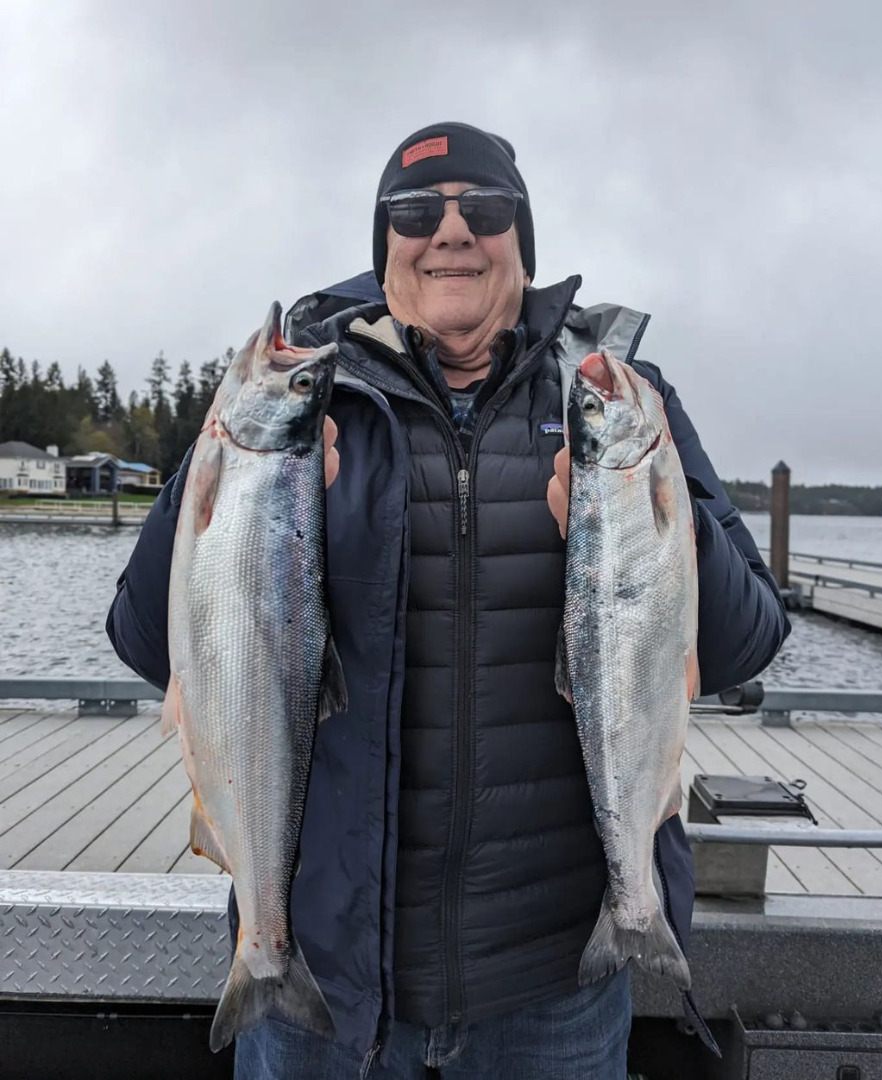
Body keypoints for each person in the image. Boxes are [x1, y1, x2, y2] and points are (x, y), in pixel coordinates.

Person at [107, 121, 790, 1079]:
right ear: (383, 244)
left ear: (523, 236)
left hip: (554, 979)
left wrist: (642, 508)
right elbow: (144, 638)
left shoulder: (615, 396)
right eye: (416, 211)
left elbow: (749, 640)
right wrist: (227, 464)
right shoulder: (308, 397)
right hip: (324, 979)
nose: (452, 231)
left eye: (487, 208)